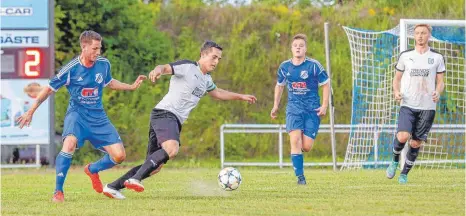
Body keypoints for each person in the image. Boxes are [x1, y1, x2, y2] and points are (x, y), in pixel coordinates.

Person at [102, 40, 257, 200]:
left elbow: (217, 93)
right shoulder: (189, 67)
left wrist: (241, 96)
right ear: (203, 54)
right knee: (172, 148)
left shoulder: (207, 80)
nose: (216, 62)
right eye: (214, 57)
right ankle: (134, 179)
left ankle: (113, 187)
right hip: (165, 113)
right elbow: (165, 67)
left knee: (154, 167)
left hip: (171, 119)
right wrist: (157, 70)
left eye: (219, 59)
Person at [16, 30, 147, 202]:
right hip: (77, 115)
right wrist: (31, 111)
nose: (98, 52)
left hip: (98, 117)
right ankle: (58, 191)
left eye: (99, 48)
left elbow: (109, 82)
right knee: (69, 144)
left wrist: (130, 86)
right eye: (94, 48)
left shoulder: (104, 64)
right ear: (83, 47)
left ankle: (92, 169)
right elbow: (48, 89)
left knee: (119, 156)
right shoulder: (71, 69)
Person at [386, 24, 445, 184]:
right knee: (403, 136)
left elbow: (440, 82)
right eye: (417, 33)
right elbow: (396, 78)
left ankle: (404, 174)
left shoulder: (437, 57)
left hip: (427, 107)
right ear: (414, 36)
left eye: (423, 33)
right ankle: (395, 160)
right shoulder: (405, 56)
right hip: (408, 104)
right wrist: (396, 92)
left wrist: (438, 92)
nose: (420, 36)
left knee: (415, 142)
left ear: (428, 36)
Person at [270, 33, 330, 185]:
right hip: (294, 109)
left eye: (301, 46)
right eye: (295, 46)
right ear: (291, 48)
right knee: (294, 140)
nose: (298, 48)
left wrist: (324, 105)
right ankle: (300, 178)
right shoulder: (285, 67)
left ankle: (299, 153)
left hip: (312, 110)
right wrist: (275, 105)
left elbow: (326, 84)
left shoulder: (314, 66)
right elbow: (279, 86)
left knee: (306, 146)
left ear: (305, 49)